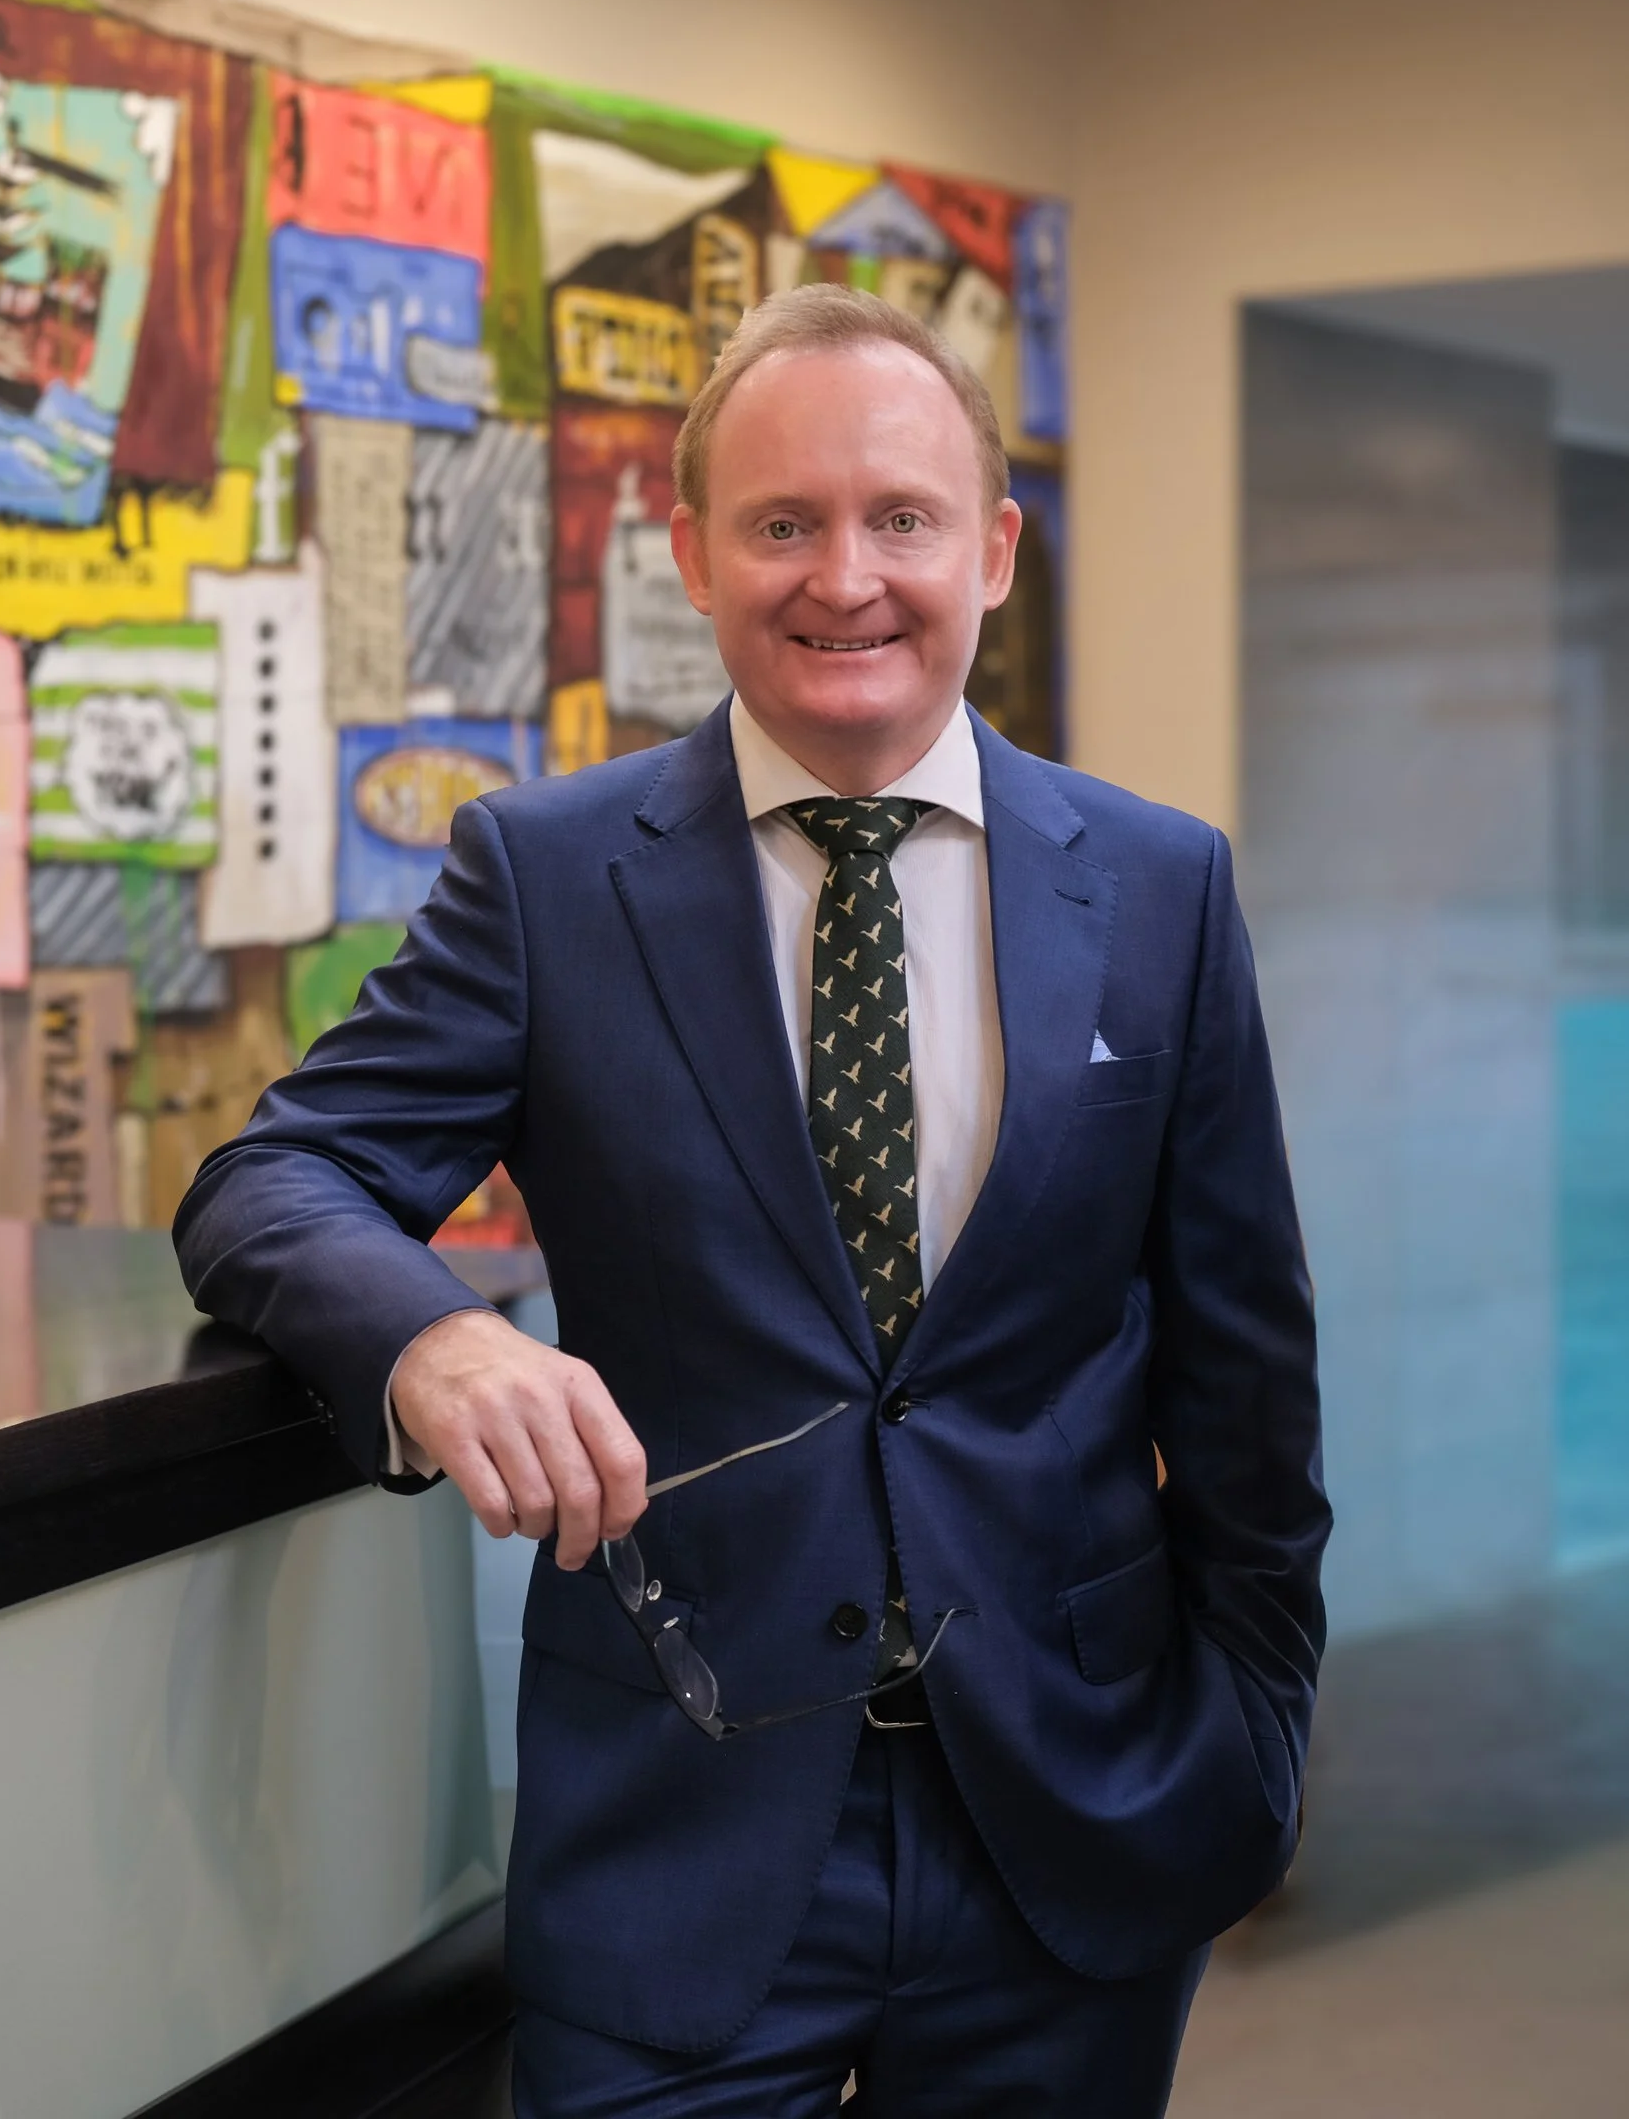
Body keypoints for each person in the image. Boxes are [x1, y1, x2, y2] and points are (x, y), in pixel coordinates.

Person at [174, 285, 1328, 2117]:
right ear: (695, 555)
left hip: (1073, 1830)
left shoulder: (1160, 888)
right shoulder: (546, 878)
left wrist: (1255, 1750)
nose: (843, 578)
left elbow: (1248, 1379)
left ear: (993, 552)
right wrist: (436, 1345)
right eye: (783, 522)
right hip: (679, 1839)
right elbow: (273, 1176)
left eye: (901, 519)